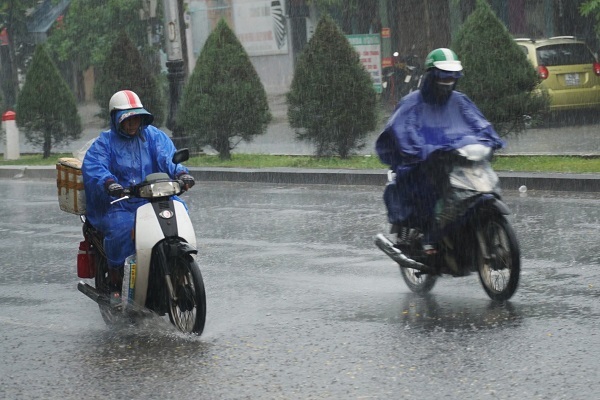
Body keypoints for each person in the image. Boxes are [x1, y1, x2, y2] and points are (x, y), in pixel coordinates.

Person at [375, 48, 505, 254]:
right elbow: (402, 130)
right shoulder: (412, 103)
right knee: (431, 190)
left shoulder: (460, 101)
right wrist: (423, 150)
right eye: (444, 74)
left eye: (452, 75)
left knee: (477, 189)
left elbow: (478, 124)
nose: (448, 80)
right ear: (432, 74)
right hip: (424, 164)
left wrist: (491, 139)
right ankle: (430, 236)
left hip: (457, 161)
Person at [82, 90, 195, 295]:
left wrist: (181, 173)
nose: (133, 124)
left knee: (178, 212)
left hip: (153, 197)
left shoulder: (153, 136)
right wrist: (109, 183)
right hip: (121, 203)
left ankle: (177, 268)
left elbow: (167, 156)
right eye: (127, 119)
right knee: (121, 231)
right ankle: (115, 282)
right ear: (116, 118)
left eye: (137, 118)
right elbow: (95, 166)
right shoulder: (105, 142)